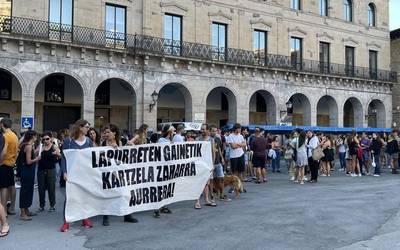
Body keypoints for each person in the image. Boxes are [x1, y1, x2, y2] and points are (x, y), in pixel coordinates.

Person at [60, 119, 93, 232]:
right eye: (87, 127)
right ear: (80, 127)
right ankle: (66, 221)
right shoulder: (69, 141)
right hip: (72, 173)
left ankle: (85, 218)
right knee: (70, 197)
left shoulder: (88, 141)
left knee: (84, 196)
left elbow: (92, 156)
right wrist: (64, 171)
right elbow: (64, 157)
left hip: (85, 173)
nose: (88, 129)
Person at [101, 124, 138, 226]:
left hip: (121, 173)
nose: (106, 134)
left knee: (125, 193)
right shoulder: (103, 143)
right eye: (105, 132)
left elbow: (132, 150)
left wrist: (118, 148)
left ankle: (127, 215)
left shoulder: (121, 141)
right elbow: (100, 158)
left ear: (114, 133)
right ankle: (106, 216)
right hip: (108, 172)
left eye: (108, 132)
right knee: (107, 194)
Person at [18, 130, 40, 220]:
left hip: (26, 171)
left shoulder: (25, 144)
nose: (37, 138)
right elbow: (28, 161)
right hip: (27, 171)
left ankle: (26, 210)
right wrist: (37, 158)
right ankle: (23, 213)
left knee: (28, 190)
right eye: (36, 136)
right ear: (33, 137)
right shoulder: (28, 146)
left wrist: (36, 151)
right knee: (25, 191)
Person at [153, 125, 174, 218]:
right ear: (169, 132)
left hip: (167, 167)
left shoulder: (168, 141)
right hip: (161, 167)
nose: (173, 132)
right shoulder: (161, 141)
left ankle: (163, 206)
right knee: (160, 188)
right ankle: (156, 208)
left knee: (165, 187)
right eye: (172, 131)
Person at [37, 131, 60, 213]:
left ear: (51, 139)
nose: (46, 141)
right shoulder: (41, 147)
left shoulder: (54, 146)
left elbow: (60, 155)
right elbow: (35, 154)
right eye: (44, 139)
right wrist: (39, 150)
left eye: (47, 139)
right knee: (41, 189)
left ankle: (52, 205)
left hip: (51, 169)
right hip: (41, 170)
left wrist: (56, 153)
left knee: (51, 188)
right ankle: (41, 205)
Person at [195, 124, 217, 209]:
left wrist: (213, 164)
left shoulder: (211, 140)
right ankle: (197, 202)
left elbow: (213, 152)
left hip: (208, 165)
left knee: (206, 183)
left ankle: (207, 199)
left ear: (208, 130)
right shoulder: (197, 139)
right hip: (199, 164)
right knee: (198, 183)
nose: (202, 131)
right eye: (201, 129)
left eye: (204, 129)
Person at [0, 118, 18, 216]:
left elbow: (4, 151)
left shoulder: (5, 136)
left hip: (4, 163)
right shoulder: (14, 135)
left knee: (3, 187)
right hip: (11, 163)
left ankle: (3, 211)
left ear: (2, 124)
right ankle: (12, 208)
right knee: (11, 186)